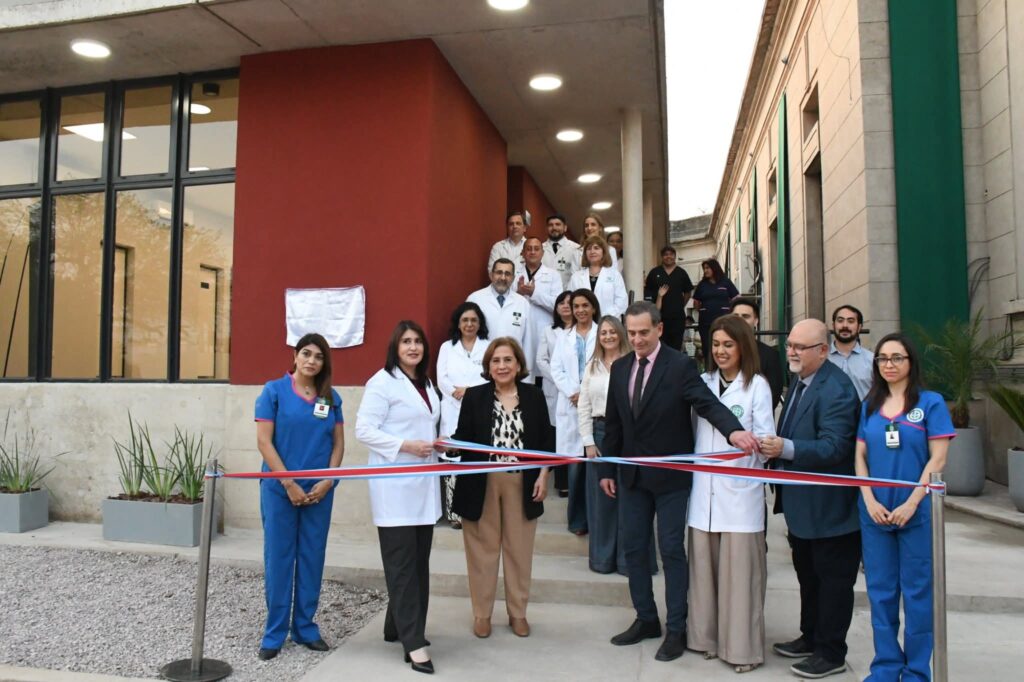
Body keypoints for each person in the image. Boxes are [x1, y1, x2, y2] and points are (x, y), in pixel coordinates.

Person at [597, 301, 758, 663]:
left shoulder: (681, 365)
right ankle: (646, 618)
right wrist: (607, 469)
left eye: (642, 333)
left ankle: (676, 628)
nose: (636, 339)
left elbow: (707, 403)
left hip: (671, 479)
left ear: (658, 330)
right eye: (631, 333)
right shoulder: (621, 368)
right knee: (635, 549)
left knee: (671, 550)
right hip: (632, 477)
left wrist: (734, 432)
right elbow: (614, 424)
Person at [759, 319, 860, 679]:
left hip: (830, 510)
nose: (791, 351)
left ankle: (831, 652)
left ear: (822, 350)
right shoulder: (803, 382)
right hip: (803, 507)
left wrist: (785, 448)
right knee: (809, 577)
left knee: (833, 582)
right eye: (789, 345)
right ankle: (811, 636)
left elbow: (834, 447)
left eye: (800, 347)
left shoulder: (837, 389)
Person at [855, 333, 953, 682]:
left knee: (917, 593)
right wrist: (869, 500)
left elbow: (937, 458)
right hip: (876, 512)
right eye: (882, 358)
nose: (889, 365)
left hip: (918, 511)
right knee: (880, 592)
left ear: (911, 362)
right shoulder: (869, 405)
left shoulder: (930, 403)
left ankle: (915, 670)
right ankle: (885, 666)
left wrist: (913, 501)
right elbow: (860, 458)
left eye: (897, 358)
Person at [686, 315, 775, 674]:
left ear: (743, 347)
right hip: (702, 493)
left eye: (728, 344)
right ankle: (705, 640)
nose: (721, 351)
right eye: (716, 344)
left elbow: (766, 440)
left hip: (739, 495)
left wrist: (751, 447)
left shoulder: (757, 387)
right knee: (704, 575)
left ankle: (742, 650)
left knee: (740, 579)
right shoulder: (701, 382)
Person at [355, 321, 442, 675]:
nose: (413, 347)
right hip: (395, 488)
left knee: (418, 562)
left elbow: (428, 424)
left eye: (418, 341)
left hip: (424, 485)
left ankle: (398, 626)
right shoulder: (381, 382)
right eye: (406, 342)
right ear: (396, 346)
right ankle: (414, 642)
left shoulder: (427, 383)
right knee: (403, 567)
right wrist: (405, 446)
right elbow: (364, 429)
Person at [451, 338, 553, 639]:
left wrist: (543, 476)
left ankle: (517, 613)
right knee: (482, 552)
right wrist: (445, 444)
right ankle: (482, 614)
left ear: (519, 364)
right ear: (488, 366)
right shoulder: (475, 397)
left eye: (508, 360)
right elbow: (463, 437)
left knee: (519, 550)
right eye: (496, 361)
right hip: (481, 482)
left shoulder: (534, 397)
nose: (502, 366)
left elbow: (546, 442)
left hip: (522, 481)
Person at [254, 333, 344, 661]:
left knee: (311, 556)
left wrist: (328, 481)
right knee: (279, 558)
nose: (311, 361)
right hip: (280, 489)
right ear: (295, 356)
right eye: (306, 353)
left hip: (319, 491)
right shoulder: (273, 391)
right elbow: (264, 442)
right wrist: (289, 483)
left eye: (318, 357)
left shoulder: (329, 397)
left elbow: (337, 444)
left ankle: (305, 627)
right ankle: (275, 632)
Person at [578, 315, 656, 575]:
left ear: (621, 334)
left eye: (613, 331)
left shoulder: (633, 363)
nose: (608, 336)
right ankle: (602, 560)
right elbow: (584, 406)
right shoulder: (592, 367)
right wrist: (588, 441)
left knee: (631, 501)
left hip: (630, 436)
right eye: (603, 332)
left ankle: (628, 561)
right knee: (602, 502)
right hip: (600, 435)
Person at [550, 289, 601, 534]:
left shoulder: (603, 333)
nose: (580, 310)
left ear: (593, 307)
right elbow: (556, 368)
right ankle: (578, 521)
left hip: (595, 404)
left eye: (584, 305)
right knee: (575, 468)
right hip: (571, 404)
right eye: (576, 305)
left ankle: (596, 519)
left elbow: (607, 365)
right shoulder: (564, 337)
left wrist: (586, 393)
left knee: (595, 466)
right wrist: (574, 391)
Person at [436, 302, 489, 529]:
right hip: (451, 405)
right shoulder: (447, 347)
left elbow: (491, 375)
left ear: (480, 324)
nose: (469, 324)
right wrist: (457, 393)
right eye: (465, 320)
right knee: (451, 460)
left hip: (479, 408)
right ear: (458, 323)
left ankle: (474, 510)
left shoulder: (488, 346)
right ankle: (453, 513)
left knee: (475, 459)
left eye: (474, 320)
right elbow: (441, 377)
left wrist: (470, 393)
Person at [535, 290, 574, 497]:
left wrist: (571, 384)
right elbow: (541, 360)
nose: (565, 306)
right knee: (557, 436)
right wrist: (560, 380)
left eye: (570, 303)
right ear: (556, 307)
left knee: (574, 434)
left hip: (575, 391)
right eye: (561, 303)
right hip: (554, 389)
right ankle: (562, 482)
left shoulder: (581, 330)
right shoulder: (548, 330)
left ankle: (575, 478)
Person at [515, 237, 562, 385]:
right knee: (521, 371)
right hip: (519, 328)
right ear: (523, 253)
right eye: (528, 249)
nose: (532, 252)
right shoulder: (515, 273)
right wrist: (519, 293)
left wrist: (534, 294)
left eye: (536, 249)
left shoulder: (553, 275)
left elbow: (558, 305)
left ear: (542, 253)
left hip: (543, 328)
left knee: (542, 373)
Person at [730, 296, 784, 409]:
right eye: (735, 316)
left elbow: (772, 397)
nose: (740, 320)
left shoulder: (770, 355)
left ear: (756, 321)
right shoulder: (719, 353)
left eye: (745, 316)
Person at [467, 258, 529, 352]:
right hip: (482, 360)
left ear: (513, 278)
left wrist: (525, 365)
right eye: (499, 272)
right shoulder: (475, 299)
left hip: (513, 362)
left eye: (507, 274)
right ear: (491, 275)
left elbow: (528, 341)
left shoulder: (523, 303)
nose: (503, 277)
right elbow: (466, 335)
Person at [643, 245, 693, 351]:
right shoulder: (655, 272)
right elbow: (648, 292)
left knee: (676, 347)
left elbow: (688, 292)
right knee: (659, 347)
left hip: (677, 318)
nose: (668, 257)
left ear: (675, 256)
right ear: (662, 257)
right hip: (659, 317)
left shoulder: (681, 273)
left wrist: (680, 305)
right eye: (666, 254)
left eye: (671, 254)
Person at [692, 258, 739, 365]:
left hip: (724, 322)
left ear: (715, 268)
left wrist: (728, 310)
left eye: (708, 268)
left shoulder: (725, 282)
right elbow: (696, 304)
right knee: (708, 348)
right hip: (706, 323)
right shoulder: (702, 285)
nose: (705, 271)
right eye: (704, 268)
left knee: (724, 345)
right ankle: (710, 372)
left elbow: (736, 298)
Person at [569, 236, 627, 319]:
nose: (592, 251)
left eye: (596, 248)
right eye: (589, 249)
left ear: (603, 252)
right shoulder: (576, 277)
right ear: (585, 254)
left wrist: (605, 318)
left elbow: (622, 302)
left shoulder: (614, 275)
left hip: (609, 323)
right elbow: (570, 300)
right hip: (582, 322)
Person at [829, 304, 874, 401]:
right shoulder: (821, 359)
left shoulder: (872, 360)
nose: (845, 325)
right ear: (833, 326)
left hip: (862, 415)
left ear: (859, 327)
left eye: (851, 321)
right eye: (840, 321)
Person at [541, 212, 581, 289]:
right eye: (550, 225)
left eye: (558, 224)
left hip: (567, 295)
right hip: (543, 295)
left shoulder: (576, 249)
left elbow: (578, 275)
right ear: (547, 228)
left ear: (565, 228)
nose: (554, 228)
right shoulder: (540, 248)